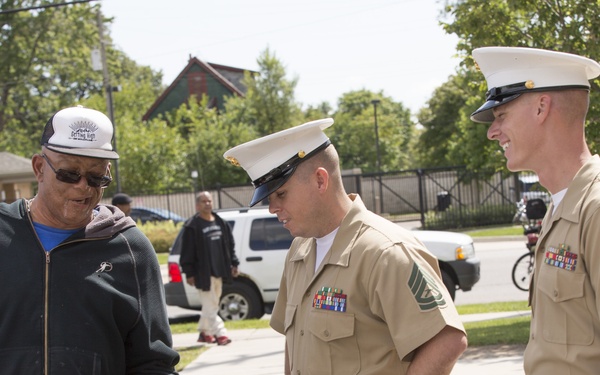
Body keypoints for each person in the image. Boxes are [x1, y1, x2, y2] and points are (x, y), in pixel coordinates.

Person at [223, 118, 467, 374]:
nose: (273, 208)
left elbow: (446, 340)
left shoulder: (385, 251)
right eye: (269, 199)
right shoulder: (299, 252)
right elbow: (295, 342)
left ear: (320, 180)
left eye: (281, 194)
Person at [0, 106, 179, 374]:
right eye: (69, 173)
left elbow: (154, 362)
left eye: (97, 177)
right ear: (39, 168)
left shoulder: (130, 249)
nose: (83, 186)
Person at [471, 46, 600, 375]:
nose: (491, 132)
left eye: (501, 116)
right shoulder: (562, 208)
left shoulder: (595, 208)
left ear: (542, 107)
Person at [179, 191, 240, 346]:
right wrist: (189, 273)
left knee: (211, 304)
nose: (207, 204)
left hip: (220, 271)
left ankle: (204, 333)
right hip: (202, 274)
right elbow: (186, 251)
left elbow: (230, 246)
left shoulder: (221, 223)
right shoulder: (192, 226)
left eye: (209, 201)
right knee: (211, 305)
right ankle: (221, 334)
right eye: (204, 201)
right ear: (197, 205)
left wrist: (234, 263)